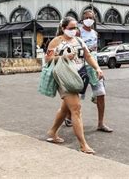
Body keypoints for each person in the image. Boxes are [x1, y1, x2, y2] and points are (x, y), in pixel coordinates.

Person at [45, 16, 104, 154]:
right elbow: (48, 59)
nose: (74, 30)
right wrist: (64, 57)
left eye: (75, 27)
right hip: (63, 77)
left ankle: (52, 132)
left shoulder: (78, 40)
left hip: (77, 77)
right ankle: (83, 145)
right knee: (76, 109)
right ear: (63, 28)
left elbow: (88, 56)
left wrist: (97, 68)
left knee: (66, 108)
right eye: (71, 28)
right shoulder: (56, 41)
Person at [64, 9, 113, 133]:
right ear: (82, 19)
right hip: (81, 67)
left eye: (91, 17)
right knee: (76, 95)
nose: (89, 19)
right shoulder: (78, 32)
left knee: (101, 94)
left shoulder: (95, 33)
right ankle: (68, 116)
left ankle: (101, 123)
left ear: (94, 19)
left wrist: (98, 68)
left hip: (94, 67)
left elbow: (94, 51)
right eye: (86, 17)